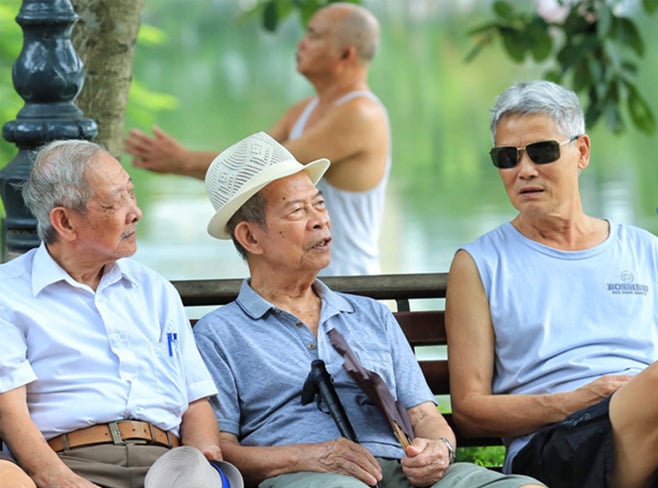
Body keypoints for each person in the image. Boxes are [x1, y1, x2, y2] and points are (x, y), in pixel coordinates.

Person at [192, 131, 545, 488]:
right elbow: (221, 449)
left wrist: (438, 449)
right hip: (308, 478)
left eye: (319, 203)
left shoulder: (370, 315)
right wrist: (309, 456)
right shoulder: (219, 334)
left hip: (403, 471)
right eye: (298, 210)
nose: (320, 220)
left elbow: (424, 413)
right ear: (250, 237)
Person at [445, 80, 658, 488]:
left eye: (541, 152)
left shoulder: (645, 250)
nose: (524, 170)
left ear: (581, 152)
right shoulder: (480, 264)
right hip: (551, 446)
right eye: (507, 157)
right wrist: (577, 400)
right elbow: (469, 410)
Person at [0, 140, 224, 487]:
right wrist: (62, 480)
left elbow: (195, 403)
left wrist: (200, 466)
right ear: (65, 222)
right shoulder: (9, 293)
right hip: (74, 463)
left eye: (131, 194)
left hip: (167, 467)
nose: (135, 212)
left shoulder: (155, 290)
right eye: (114, 202)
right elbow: (9, 410)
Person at [124, 2, 390, 277]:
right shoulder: (303, 110)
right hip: (302, 281)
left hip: (351, 283)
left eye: (313, 36)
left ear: (346, 54)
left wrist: (181, 161)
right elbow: (247, 162)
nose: (301, 43)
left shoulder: (361, 113)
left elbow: (264, 171)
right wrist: (179, 163)